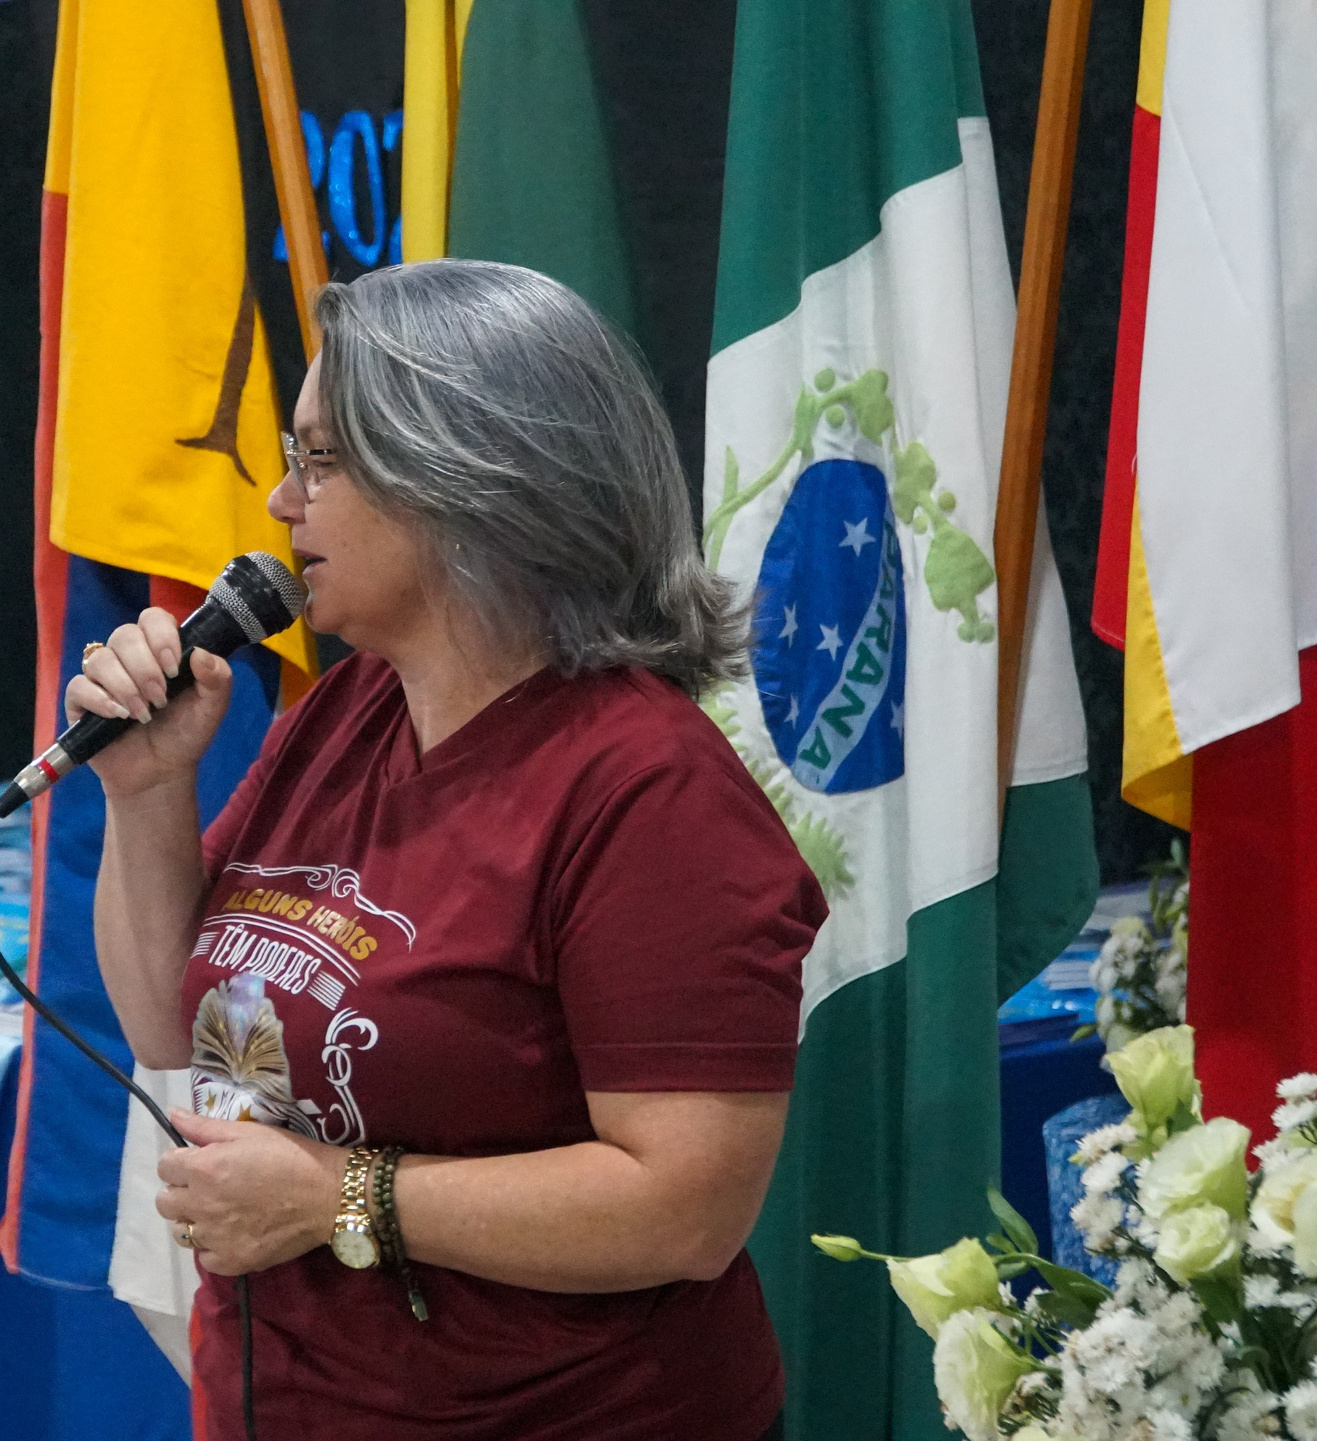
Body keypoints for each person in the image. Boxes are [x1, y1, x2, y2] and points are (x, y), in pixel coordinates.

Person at [67, 259, 828, 1440]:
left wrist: (337, 1198)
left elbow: (682, 1206)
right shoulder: (346, 709)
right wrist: (146, 792)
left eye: (321, 460)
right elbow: (174, 1030)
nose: (279, 502)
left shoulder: (646, 787)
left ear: (466, 475)